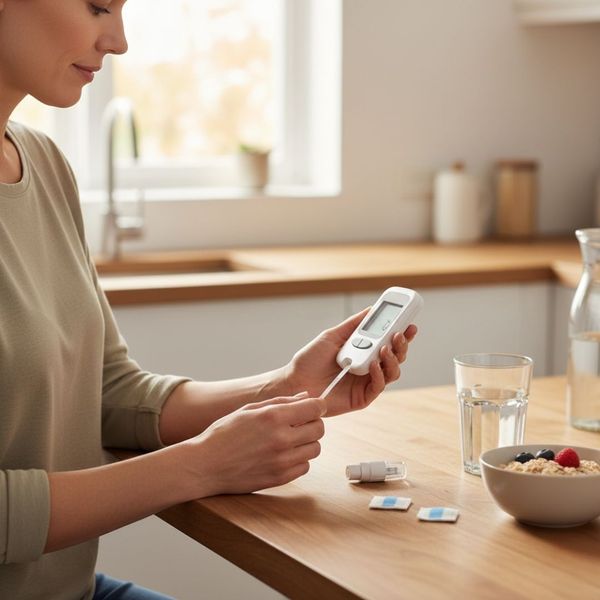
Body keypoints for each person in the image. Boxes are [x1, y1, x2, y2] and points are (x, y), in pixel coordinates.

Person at [0, 1, 418, 599]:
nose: (117, 41)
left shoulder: (42, 163)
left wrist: (286, 386)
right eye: (96, 6)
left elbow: (108, 391)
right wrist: (200, 466)